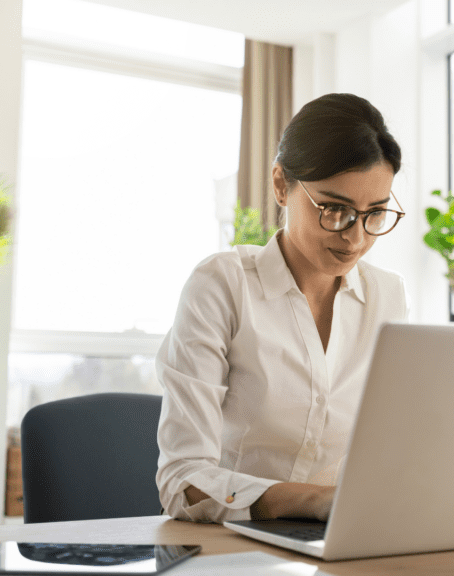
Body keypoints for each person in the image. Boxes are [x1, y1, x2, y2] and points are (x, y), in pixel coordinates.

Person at [155, 93, 409, 524]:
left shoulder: (386, 297)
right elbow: (183, 480)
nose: (355, 238)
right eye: (334, 209)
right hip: (231, 549)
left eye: (376, 213)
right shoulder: (222, 285)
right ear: (280, 185)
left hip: (342, 538)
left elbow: (394, 447)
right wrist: (316, 502)